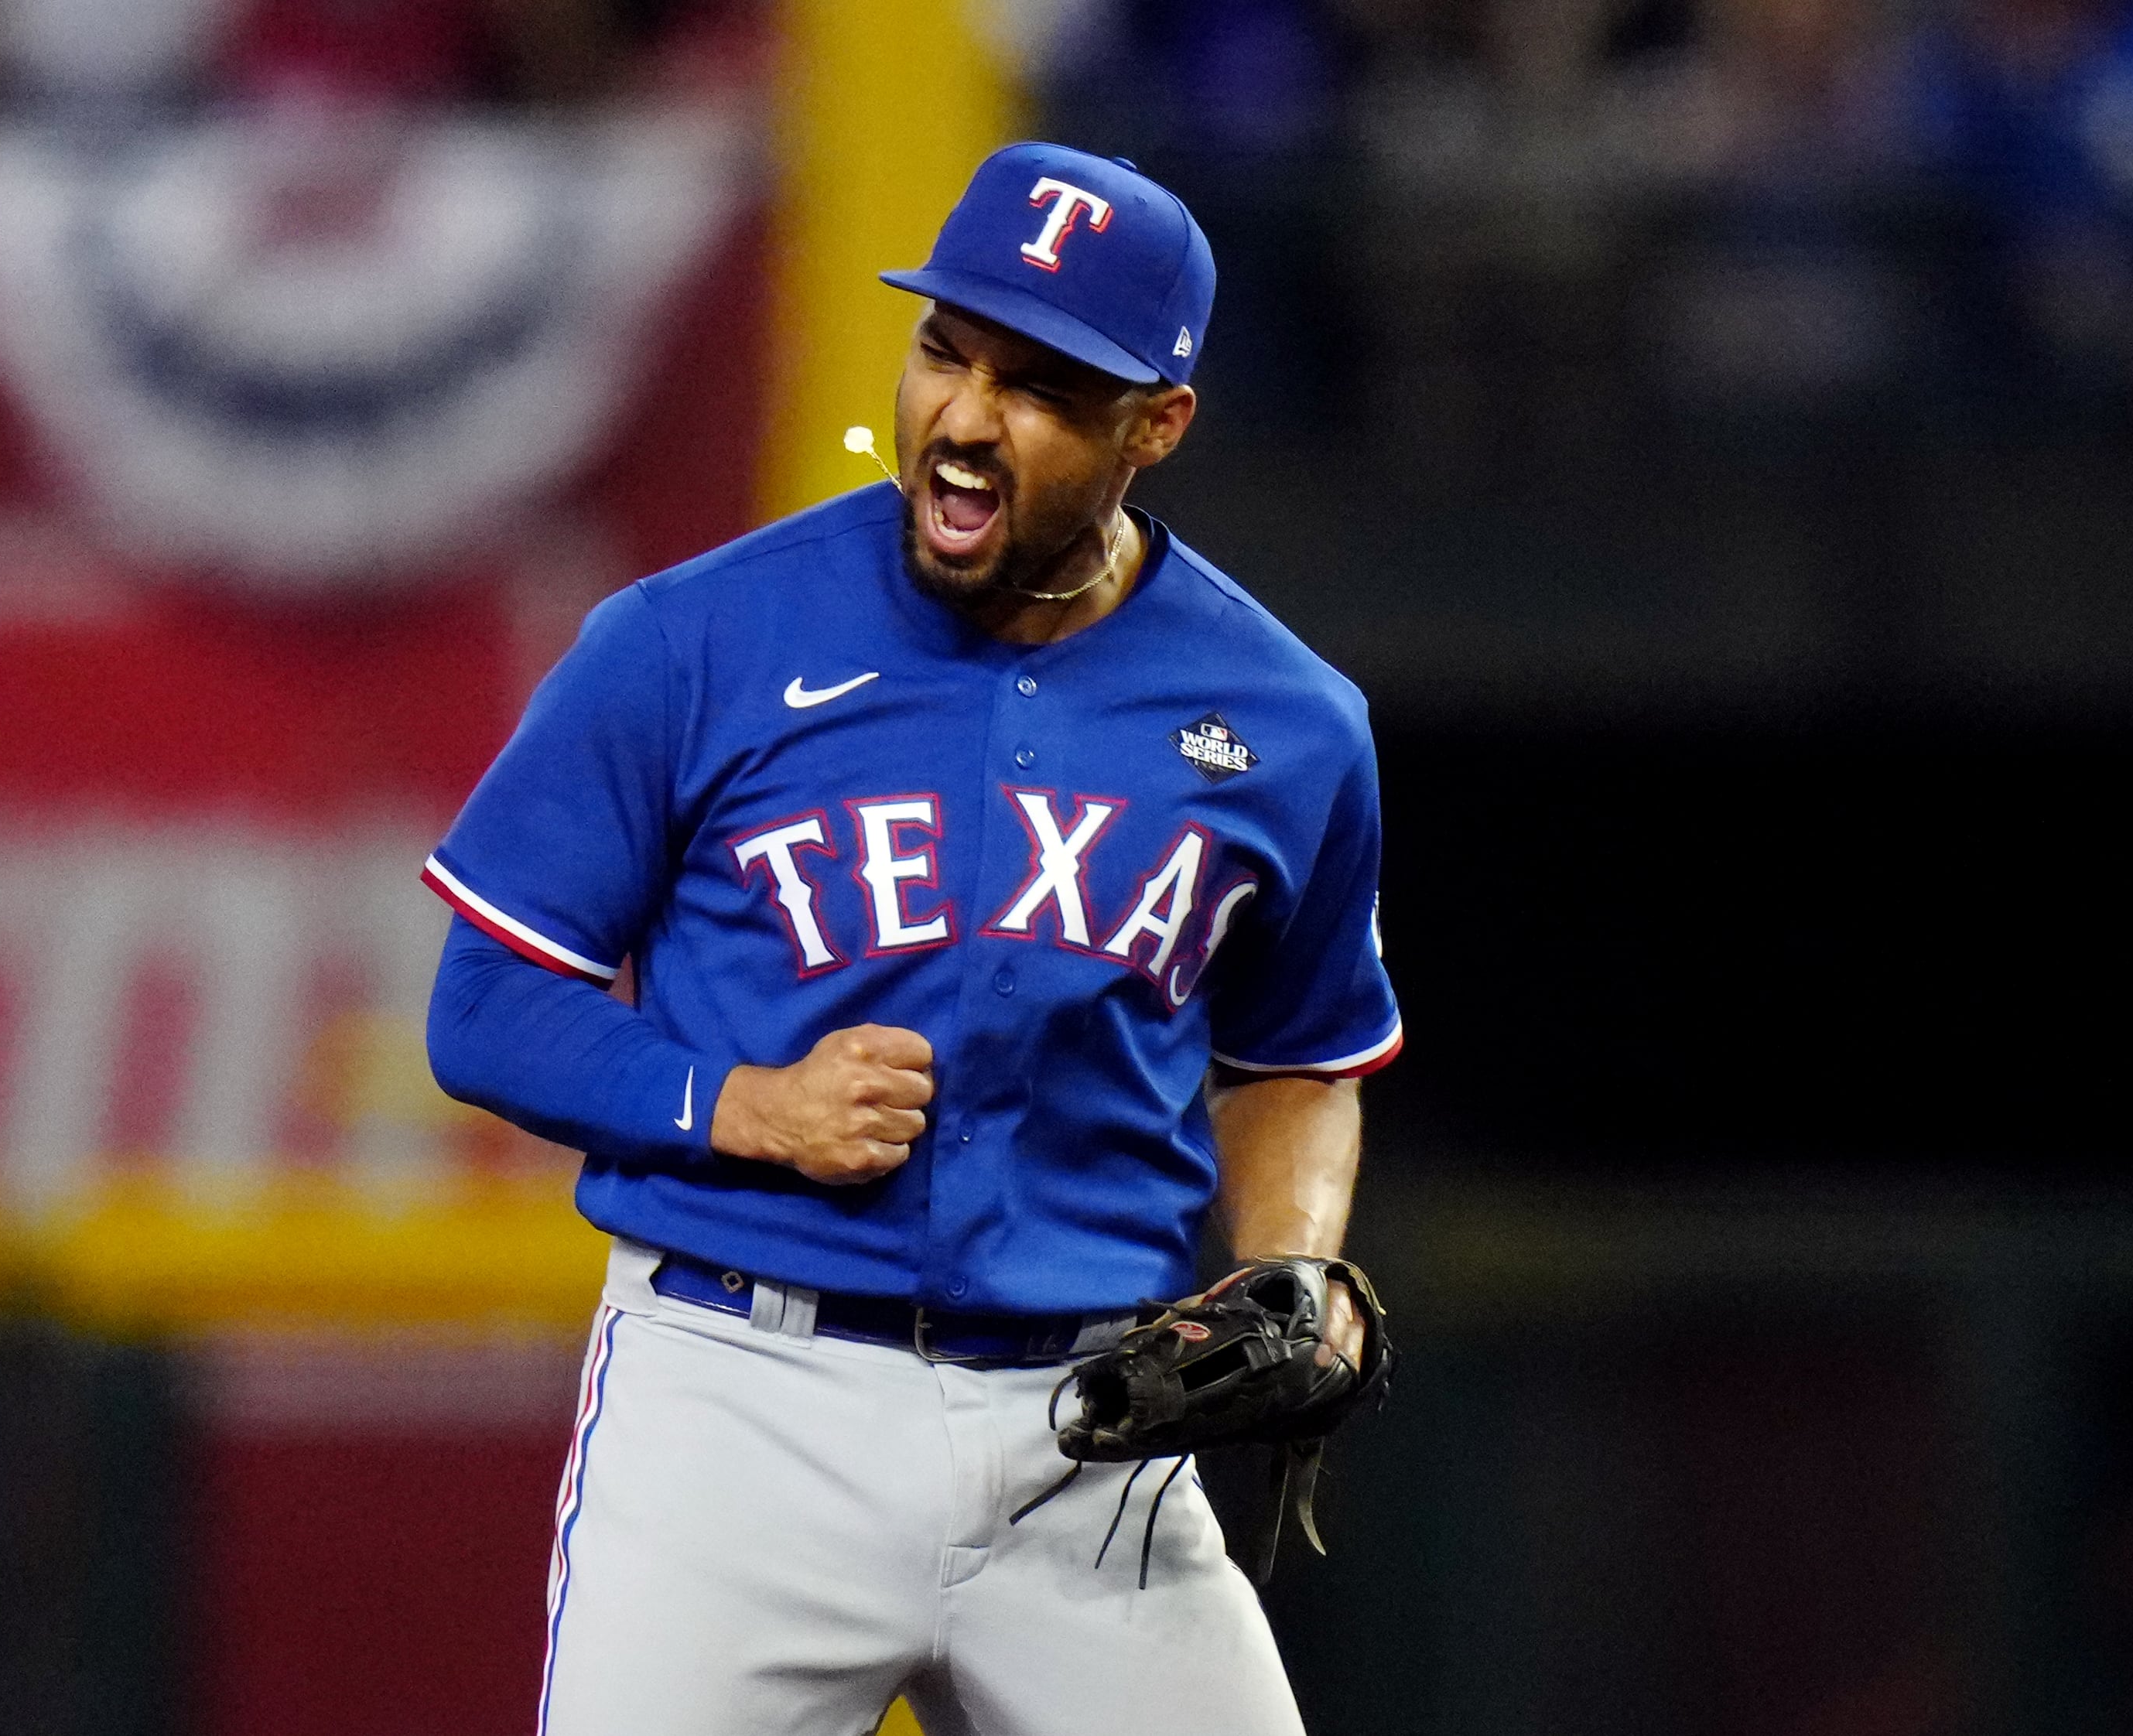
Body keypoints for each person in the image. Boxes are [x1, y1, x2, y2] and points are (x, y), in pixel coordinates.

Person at [424, 141, 1401, 1735]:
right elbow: (484, 1007)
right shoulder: (694, 638)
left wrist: (1291, 1267)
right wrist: (744, 1105)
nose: (962, 415)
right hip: (744, 1404)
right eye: (948, 345)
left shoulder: (1289, 723)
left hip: (1092, 1440)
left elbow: (1297, 1055)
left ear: (1154, 427)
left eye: (1037, 385)